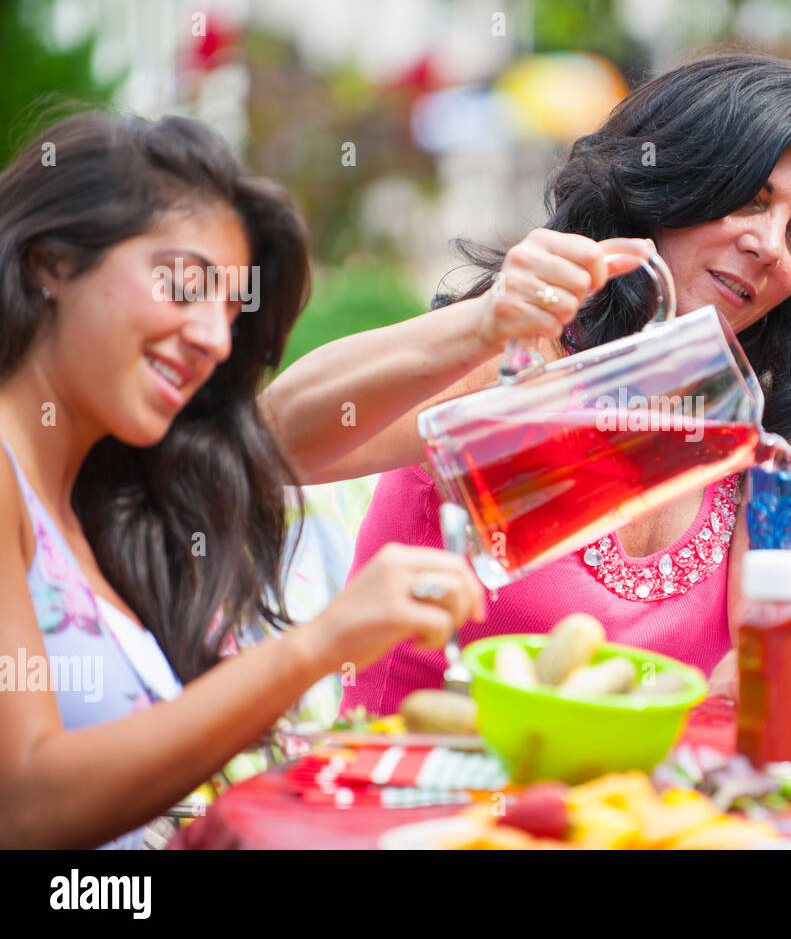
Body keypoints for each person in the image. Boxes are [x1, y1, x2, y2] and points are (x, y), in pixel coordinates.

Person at [262, 53, 791, 712]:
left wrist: (773, 686)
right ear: (674, 184)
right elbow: (269, 443)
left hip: (628, 810)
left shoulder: (755, 427)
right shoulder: (518, 353)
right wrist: (482, 323)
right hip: (417, 792)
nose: (769, 246)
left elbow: (749, 671)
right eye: (748, 200)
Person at [0, 111, 485, 849]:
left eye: (230, 311)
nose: (213, 338)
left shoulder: (79, 508)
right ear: (51, 263)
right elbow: (25, 805)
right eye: (183, 285)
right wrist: (318, 645)